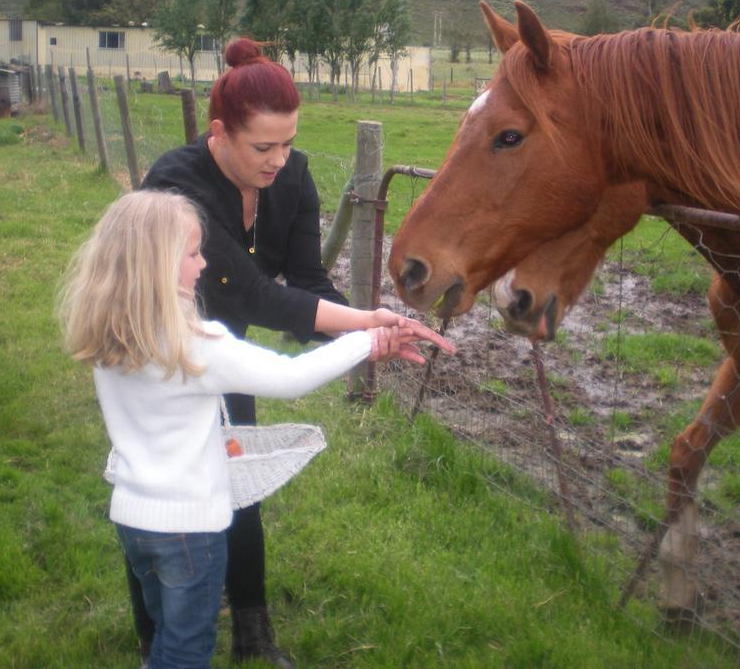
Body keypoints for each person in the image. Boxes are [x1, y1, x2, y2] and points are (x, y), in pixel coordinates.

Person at [136, 37, 444, 666]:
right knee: (162, 498)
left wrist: (367, 337)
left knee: (237, 485)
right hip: (163, 359)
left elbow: (304, 282)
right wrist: (363, 323)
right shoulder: (174, 183)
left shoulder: (294, 176)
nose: (279, 161)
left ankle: (252, 631)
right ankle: (159, 639)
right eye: (262, 147)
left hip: (227, 351)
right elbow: (247, 293)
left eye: (288, 142)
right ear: (219, 134)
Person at [58, 191, 452, 669]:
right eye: (192, 253)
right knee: (187, 650)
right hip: (189, 529)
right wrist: (366, 340)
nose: (203, 264)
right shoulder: (196, 346)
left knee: (165, 633)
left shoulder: (109, 337)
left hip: (133, 521)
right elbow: (290, 378)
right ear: (157, 264)